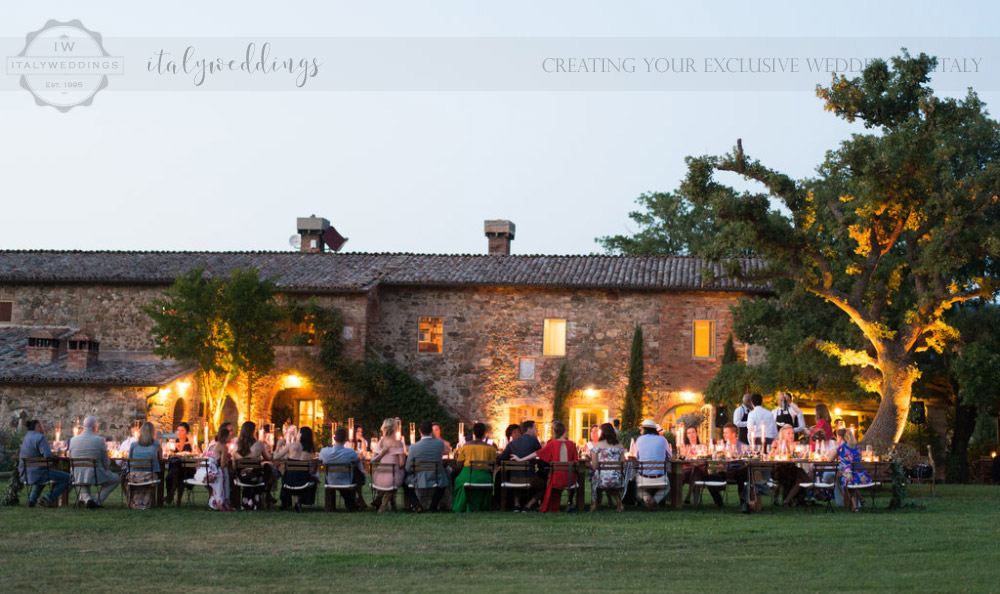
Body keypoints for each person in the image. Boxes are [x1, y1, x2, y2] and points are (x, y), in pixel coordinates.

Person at [518, 421, 579, 513]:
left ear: (554, 432)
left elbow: (537, 453)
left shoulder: (553, 444)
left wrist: (521, 459)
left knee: (548, 477)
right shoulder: (572, 444)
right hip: (570, 479)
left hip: (556, 479)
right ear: (564, 432)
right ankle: (571, 502)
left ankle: (547, 505)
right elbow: (576, 462)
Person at [691, 423, 751, 511]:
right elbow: (718, 462)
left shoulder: (744, 447)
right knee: (707, 478)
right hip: (726, 472)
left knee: (741, 475)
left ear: (734, 434)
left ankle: (743, 503)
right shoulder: (722, 447)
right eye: (724, 433)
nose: (724, 435)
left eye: (726, 433)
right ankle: (719, 502)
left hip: (739, 471)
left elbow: (749, 460)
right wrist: (719, 460)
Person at [68, 416, 120, 509]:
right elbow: (106, 463)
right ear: (95, 427)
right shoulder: (99, 440)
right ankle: (97, 500)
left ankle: (88, 500)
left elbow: (70, 458)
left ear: (83, 426)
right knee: (116, 478)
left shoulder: (73, 440)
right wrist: (106, 469)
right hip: (95, 474)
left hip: (77, 473)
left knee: (79, 478)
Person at [18, 420, 71, 508]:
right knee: (68, 477)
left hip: (26, 473)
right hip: (38, 473)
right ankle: (47, 498)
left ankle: (32, 500)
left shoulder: (27, 437)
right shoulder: (40, 437)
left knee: (43, 475)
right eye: (42, 426)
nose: (44, 428)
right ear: (37, 427)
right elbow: (48, 455)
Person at [498, 419, 544, 512]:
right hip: (529, 477)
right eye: (535, 428)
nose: (537, 431)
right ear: (529, 429)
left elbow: (501, 458)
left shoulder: (512, 443)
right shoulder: (534, 441)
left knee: (517, 476)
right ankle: (528, 505)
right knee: (544, 486)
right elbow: (542, 455)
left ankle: (516, 504)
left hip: (514, 478)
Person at [451, 422, 497, 512]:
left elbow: (459, 465)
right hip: (484, 477)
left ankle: (461, 505)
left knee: (456, 478)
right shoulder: (491, 448)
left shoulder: (466, 447)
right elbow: (493, 465)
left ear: (473, 433)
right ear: (484, 433)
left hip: (468, 476)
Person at [404, 421, 448, 512]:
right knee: (444, 480)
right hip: (436, 477)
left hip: (418, 478)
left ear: (420, 431)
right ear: (431, 431)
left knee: (404, 482)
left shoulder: (413, 447)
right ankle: (433, 506)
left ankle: (416, 504)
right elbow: (447, 451)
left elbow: (407, 468)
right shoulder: (439, 444)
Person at [320, 427, 366, 511]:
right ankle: (354, 502)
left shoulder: (324, 451)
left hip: (331, 481)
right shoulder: (350, 453)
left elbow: (320, 460)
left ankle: (330, 506)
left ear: (333, 438)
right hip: (347, 480)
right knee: (356, 471)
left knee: (330, 476)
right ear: (345, 440)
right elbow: (358, 459)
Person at [275, 426, 318, 512]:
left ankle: (291, 503)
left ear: (301, 435)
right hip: (304, 480)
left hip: (289, 480)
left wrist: (278, 446)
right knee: (303, 475)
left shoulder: (292, 445)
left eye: (298, 432)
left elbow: (276, 457)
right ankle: (298, 502)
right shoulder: (311, 451)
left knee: (294, 473)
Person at [233, 421, 273, 510]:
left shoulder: (236, 446)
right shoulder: (259, 444)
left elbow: (233, 465)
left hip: (241, 477)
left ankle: (247, 502)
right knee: (268, 470)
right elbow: (268, 458)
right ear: (253, 432)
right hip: (255, 477)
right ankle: (265, 495)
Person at [195, 425, 236, 511]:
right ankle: (221, 502)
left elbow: (201, 458)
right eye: (229, 436)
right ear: (225, 437)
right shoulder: (224, 447)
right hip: (211, 473)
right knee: (223, 473)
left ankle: (214, 501)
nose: (231, 438)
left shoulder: (211, 446)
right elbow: (222, 464)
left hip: (202, 472)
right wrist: (229, 459)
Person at [371, 417, 406, 512]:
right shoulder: (399, 443)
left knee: (392, 478)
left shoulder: (381, 442)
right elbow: (402, 463)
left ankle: (387, 501)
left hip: (378, 478)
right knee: (399, 475)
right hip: (392, 479)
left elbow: (372, 461)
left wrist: (382, 453)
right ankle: (383, 506)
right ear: (395, 429)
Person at [633, 419, 670, 510]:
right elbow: (669, 457)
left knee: (637, 488)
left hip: (644, 477)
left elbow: (636, 457)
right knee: (667, 487)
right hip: (660, 477)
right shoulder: (663, 440)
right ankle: (655, 501)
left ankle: (648, 499)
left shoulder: (639, 440)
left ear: (645, 429)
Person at [832, 427, 871, 512]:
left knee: (847, 480)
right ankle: (859, 500)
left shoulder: (841, 447)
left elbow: (829, 459)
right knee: (850, 480)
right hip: (861, 475)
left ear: (840, 437)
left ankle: (854, 506)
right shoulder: (857, 447)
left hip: (848, 474)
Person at [588, 423, 625, 512]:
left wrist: (587, 464)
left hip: (602, 479)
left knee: (594, 479)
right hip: (617, 479)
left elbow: (595, 466)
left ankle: (594, 504)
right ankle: (619, 504)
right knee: (612, 484)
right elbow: (623, 463)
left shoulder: (597, 446)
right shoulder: (619, 446)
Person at [125, 421, 162, 510]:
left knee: (123, 476)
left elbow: (129, 460)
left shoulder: (133, 445)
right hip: (150, 477)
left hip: (133, 476)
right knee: (160, 474)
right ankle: (158, 501)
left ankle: (130, 500)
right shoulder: (156, 444)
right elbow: (160, 458)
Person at [771, 425, 809, 506]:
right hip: (779, 470)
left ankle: (787, 501)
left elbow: (798, 457)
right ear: (783, 435)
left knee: (800, 475)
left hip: (791, 470)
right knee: (800, 473)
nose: (791, 435)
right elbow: (772, 456)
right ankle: (816, 493)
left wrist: (800, 454)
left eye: (792, 433)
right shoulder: (776, 443)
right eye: (788, 433)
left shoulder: (794, 445)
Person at [164, 422, 198, 505]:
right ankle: (176, 498)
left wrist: (193, 443)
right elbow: (167, 455)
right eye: (178, 430)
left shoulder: (190, 443)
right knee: (177, 473)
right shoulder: (174, 443)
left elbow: (197, 454)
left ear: (187, 433)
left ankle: (170, 495)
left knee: (179, 473)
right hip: (175, 471)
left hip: (188, 469)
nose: (179, 432)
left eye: (182, 430)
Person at [681, 426, 705, 504]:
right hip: (686, 470)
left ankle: (688, 496)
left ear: (696, 434)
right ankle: (693, 501)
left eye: (693, 432)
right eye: (689, 433)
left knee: (696, 470)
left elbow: (704, 460)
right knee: (694, 472)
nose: (691, 435)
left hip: (700, 470)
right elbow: (682, 460)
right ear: (687, 435)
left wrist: (694, 463)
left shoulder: (702, 446)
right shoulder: (684, 447)